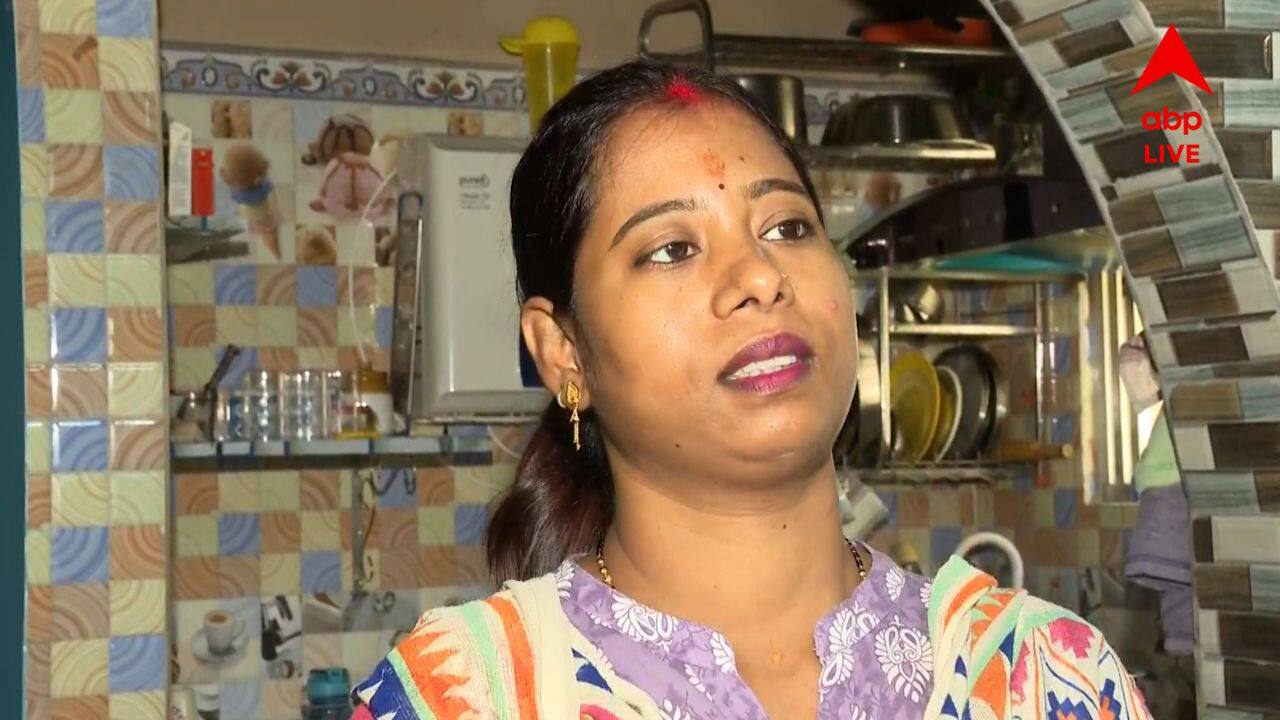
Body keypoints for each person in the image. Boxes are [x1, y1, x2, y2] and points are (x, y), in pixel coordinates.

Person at [350, 60, 1152, 720]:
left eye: (788, 228)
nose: (760, 276)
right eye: (671, 248)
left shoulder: (1049, 678)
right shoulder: (461, 697)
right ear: (564, 353)